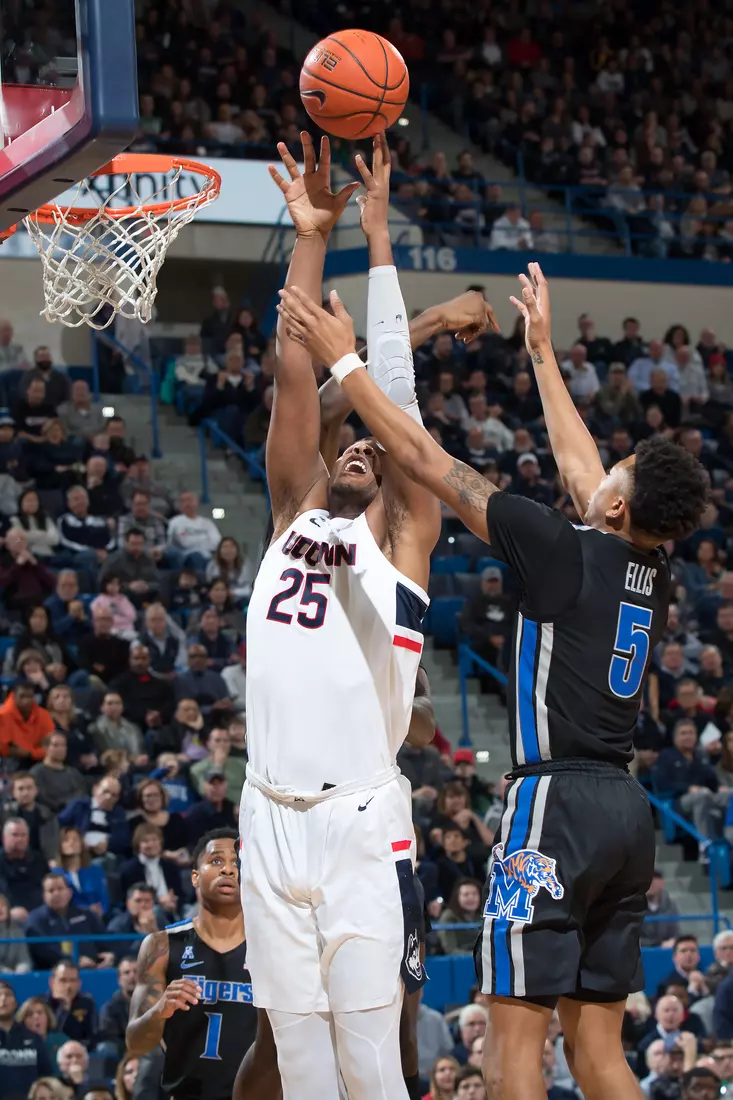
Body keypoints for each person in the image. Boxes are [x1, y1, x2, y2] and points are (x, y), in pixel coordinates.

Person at [278, 257, 708, 1100]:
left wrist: (346, 362)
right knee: (598, 1057)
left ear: (618, 509)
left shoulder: (556, 546)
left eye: (618, 470)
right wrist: (541, 353)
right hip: (626, 815)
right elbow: (586, 477)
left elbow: (422, 457)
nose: (603, 470)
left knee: (512, 1053)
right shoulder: (649, 569)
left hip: (555, 808)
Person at [240, 132, 453, 1100]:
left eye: (377, 449)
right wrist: (311, 237)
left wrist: (378, 245)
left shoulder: (401, 539)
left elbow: (399, 413)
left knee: (372, 1061)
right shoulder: (291, 508)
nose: (363, 447)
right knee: (299, 1059)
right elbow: (294, 378)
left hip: (359, 821)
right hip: (266, 815)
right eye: (348, 443)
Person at [127, 829, 279, 1100]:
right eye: (217, 861)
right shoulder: (161, 946)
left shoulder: (273, 948)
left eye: (238, 863)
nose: (229, 871)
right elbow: (136, 1044)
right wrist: (159, 1011)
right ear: (195, 876)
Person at [25, 871, 110, 971]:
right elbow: (43, 949)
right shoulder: (36, 919)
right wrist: (74, 960)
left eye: (60, 889)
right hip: (52, 972)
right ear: (44, 896)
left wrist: (110, 954)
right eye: (51, 890)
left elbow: (104, 939)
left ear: (69, 892)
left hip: (93, 969)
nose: (56, 894)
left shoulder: (87, 914)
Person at [0, 980, 53, 1100]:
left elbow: (45, 1076)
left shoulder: (33, 1038)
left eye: (7, 995)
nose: (3, 999)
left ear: (15, 1002)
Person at [56, 826, 110, 916]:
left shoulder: (95, 869)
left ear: (81, 845)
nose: (71, 842)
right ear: (60, 846)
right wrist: (87, 910)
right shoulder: (56, 873)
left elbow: (104, 896)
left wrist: (101, 910)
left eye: (75, 839)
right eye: (66, 840)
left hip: (97, 918)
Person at [0, 817, 47, 919]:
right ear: (4, 838)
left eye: (23, 835)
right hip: (9, 916)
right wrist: (8, 912)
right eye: (15, 835)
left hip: (41, 914)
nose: (20, 839)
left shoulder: (38, 859)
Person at [30, 731, 87, 814]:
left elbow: (81, 794)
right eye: (56, 745)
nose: (61, 749)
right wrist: (62, 805)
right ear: (45, 748)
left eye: (63, 745)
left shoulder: (74, 773)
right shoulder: (37, 772)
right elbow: (41, 798)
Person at [45, 959, 99, 1047]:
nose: (68, 986)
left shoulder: (87, 1002)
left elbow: (93, 1036)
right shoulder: (43, 1004)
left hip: (80, 1051)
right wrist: (63, 1009)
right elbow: (49, 1037)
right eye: (63, 980)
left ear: (79, 983)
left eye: (72, 980)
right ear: (52, 982)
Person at [167, 492, 221, 572]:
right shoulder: (175, 522)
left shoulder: (207, 523)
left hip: (207, 556)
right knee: (196, 557)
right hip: (186, 557)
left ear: (196, 502)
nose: (187, 503)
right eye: (183, 501)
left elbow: (216, 542)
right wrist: (204, 541)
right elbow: (185, 542)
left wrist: (198, 543)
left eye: (190, 500)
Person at [99, 957, 138, 1054]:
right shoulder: (109, 1009)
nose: (132, 976)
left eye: (136, 971)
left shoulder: (154, 1004)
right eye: (126, 972)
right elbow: (111, 1038)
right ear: (119, 980)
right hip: (122, 1054)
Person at [641, 870, 681, 947]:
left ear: (662, 883)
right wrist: (658, 944)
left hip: (666, 951)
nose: (650, 885)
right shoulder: (634, 907)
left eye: (653, 881)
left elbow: (675, 933)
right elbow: (632, 938)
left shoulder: (670, 906)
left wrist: (673, 941)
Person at [0, 893, 31, 972]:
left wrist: (22, 969)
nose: (0, 909)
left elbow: (24, 959)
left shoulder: (17, 931)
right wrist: (5, 972)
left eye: (3, 905)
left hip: (15, 976)